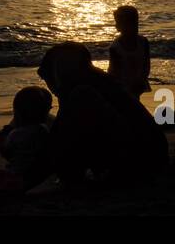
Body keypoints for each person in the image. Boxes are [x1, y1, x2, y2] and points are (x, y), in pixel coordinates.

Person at [33, 42, 167, 188]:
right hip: (150, 154)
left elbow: (60, 138)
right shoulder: (102, 82)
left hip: (139, 161)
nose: (52, 89)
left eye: (50, 80)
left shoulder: (82, 92)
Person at [0, 86, 52, 190]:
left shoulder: (15, 134)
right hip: (39, 173)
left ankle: (14, 184)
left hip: (18, 172)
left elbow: (6, 153)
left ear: (18, 114)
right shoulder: (45, 130)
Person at [108, 5, 151, 98]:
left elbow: (146, 65)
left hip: (138, 83)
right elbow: (113, 72)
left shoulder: (143, 42)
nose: (116, 26)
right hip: (121, 86)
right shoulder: (116, 48)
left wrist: (142, 79)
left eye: (118, 23)